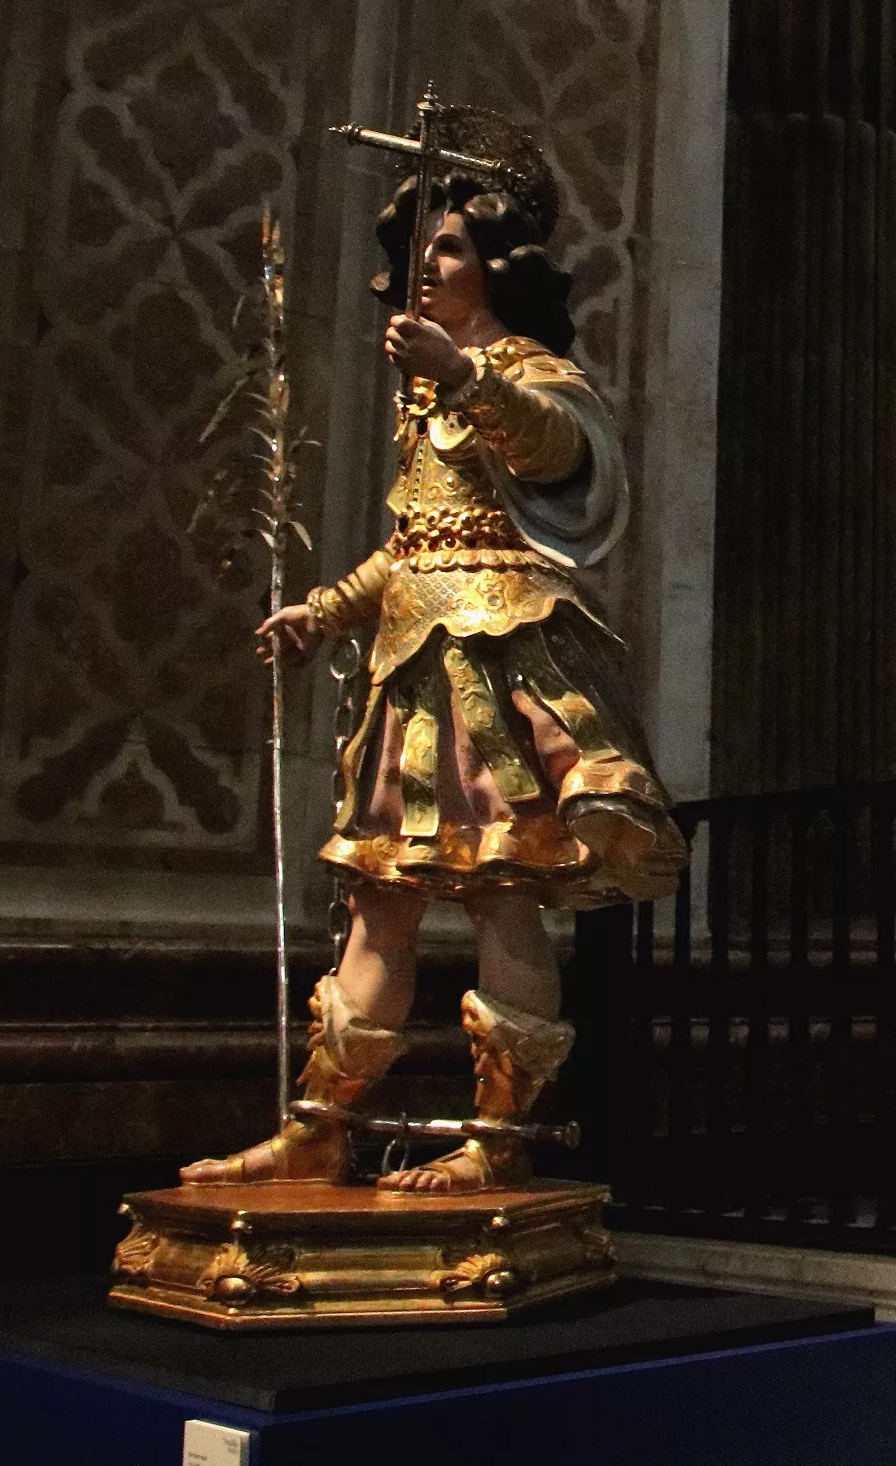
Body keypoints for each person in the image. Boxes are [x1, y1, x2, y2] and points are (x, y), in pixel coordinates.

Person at [184, 132, 686, 1195]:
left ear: (497, 266)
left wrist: (463, 378)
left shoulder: (524, 372)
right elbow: (414, 544)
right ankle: (320, 1125)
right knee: (381, 902)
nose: (426, 266)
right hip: (414, 670)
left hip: (498, 662)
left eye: (449, 247)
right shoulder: (426, 404)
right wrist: (322, 611)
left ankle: (499, 1142)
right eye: (418, 248)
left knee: (503, 889)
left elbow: (561, 449)